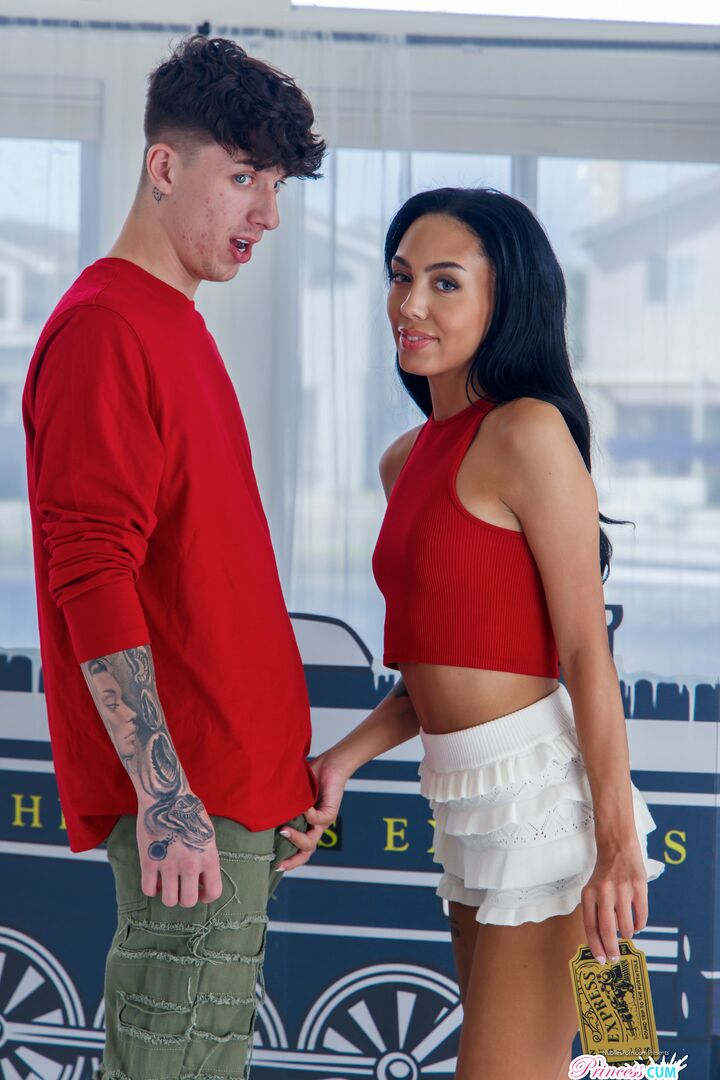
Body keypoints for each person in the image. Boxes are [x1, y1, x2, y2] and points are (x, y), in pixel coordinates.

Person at [279, 187, 665, 1080]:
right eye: (401, 276)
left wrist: (616, 849)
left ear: (504, 301)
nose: (410, 304)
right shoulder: (404, 460)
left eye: (445, 283)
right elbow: (442, 666)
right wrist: (342, 759)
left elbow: (585, 654)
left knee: (570, 1064)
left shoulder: (529, 432)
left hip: (550, 812)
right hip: (468, 808)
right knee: (572, 1067)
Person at [22, 35, 326, 1080]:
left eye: (275, 185)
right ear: (164, 165)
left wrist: (278, 774)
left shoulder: (174, 323)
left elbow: (207, 585)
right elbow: (90, 571)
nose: (267, 213)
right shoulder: (106, 328)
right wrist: (167, 797)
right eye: (244, 177)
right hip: (193, 800)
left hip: (235, 791)